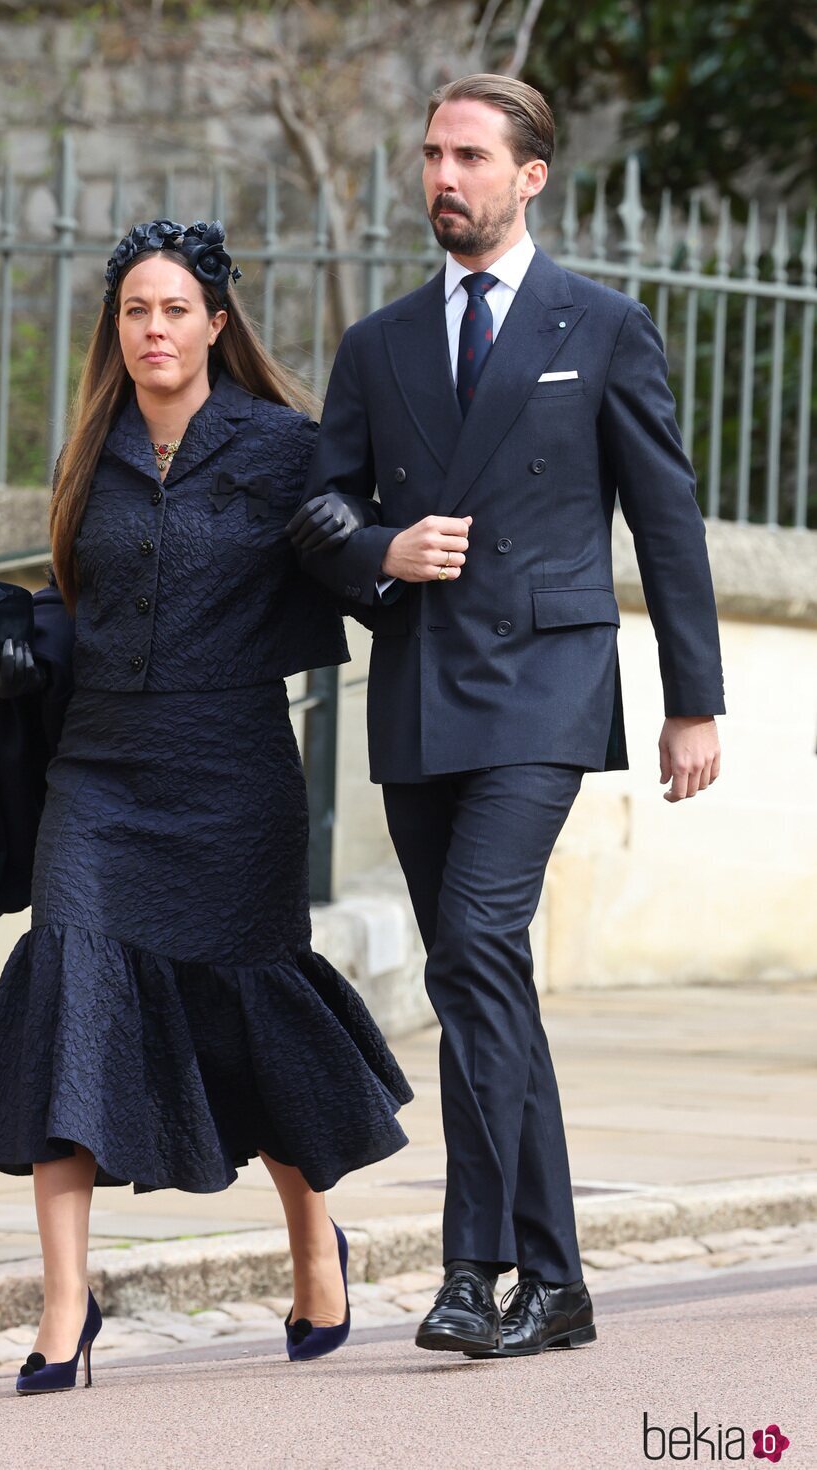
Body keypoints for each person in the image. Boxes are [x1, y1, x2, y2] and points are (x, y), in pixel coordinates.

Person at [0, 217, 412, 1393]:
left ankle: (312, 1243)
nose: (153, 329)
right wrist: (6, 631)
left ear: (215, 323)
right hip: (96, 776)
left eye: (174, 310)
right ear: (118, 327)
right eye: (134, 310)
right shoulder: (88, 449)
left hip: (231, 777)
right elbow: (80, 602)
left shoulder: (284, 448)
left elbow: (360, 569)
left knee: (247, 1020)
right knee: (65, 998)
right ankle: (62, 1311)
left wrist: (382, 548)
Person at [290, 74, 724, 1360]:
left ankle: (473, 1267)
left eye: (469, 155)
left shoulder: (599, 324)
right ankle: (563, 1282)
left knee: (471, 945)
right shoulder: (376, 345)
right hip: (422, 687)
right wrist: (384, 549)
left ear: (528, 175)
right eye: (431, 153)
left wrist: (691, 702)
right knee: (486, 980)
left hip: (542, 685)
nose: (443, 176)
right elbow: (313, 517)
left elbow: (664, 521)